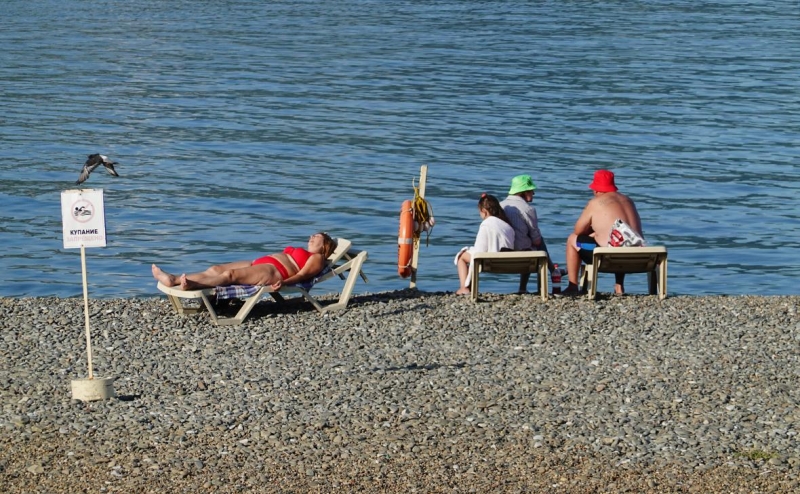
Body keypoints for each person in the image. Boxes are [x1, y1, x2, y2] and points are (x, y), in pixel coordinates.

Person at [152, 232, 337, 291]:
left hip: (274, 272)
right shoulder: (305, 251)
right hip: (259, 263)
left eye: (317, 236)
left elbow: (303, 275)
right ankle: (173, 279)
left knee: (229, 276)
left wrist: (284, 283)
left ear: (324, 245)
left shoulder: (317, 258)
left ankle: (192, 284)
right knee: (216, 268)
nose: (311, 237)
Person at [563, 170, 644, 296]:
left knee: (572, 239)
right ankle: (619, 286)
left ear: (596, 190)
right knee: (622, 240)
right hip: (637, 259)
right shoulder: (628, 200)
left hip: (608, 259)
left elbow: (578, 231)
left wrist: (594, 232)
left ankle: (572, 286)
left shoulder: (595, 203)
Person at [500, 174, 554, 293]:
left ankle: (553, 270)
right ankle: (551, 273)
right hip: (523, 259)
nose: (533, 193)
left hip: (499, 257)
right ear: (523, 192)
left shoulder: (499, 206)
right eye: (531, 190)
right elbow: (537, 241)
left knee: (529, 241)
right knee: (537, 241)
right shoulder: (528, 209)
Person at [454, 194, 515, 295]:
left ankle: (464, 288)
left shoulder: (487, 224)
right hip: (509, 262)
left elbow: (479, 251)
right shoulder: (508, 226)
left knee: (462, 256)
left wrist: (467, 250)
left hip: (491, 261)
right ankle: (468, 288)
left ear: (484, 211)